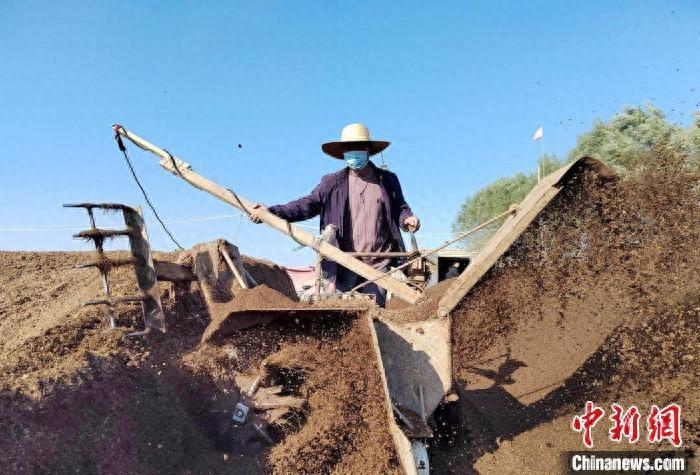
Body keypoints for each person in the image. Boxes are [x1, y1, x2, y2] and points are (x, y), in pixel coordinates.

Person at [249, 123, 419, 306]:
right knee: (341, 312)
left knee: (375, 310)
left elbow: (400, 208)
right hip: (343, 262)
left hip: (378, 263)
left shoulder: (387, 181)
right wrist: (272, 212)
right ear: (343, 153)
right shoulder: (332, 183)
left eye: (358, 147)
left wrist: (408, 218)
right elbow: (306, 204)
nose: (353, 152)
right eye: (349, 148)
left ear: (368, 150)